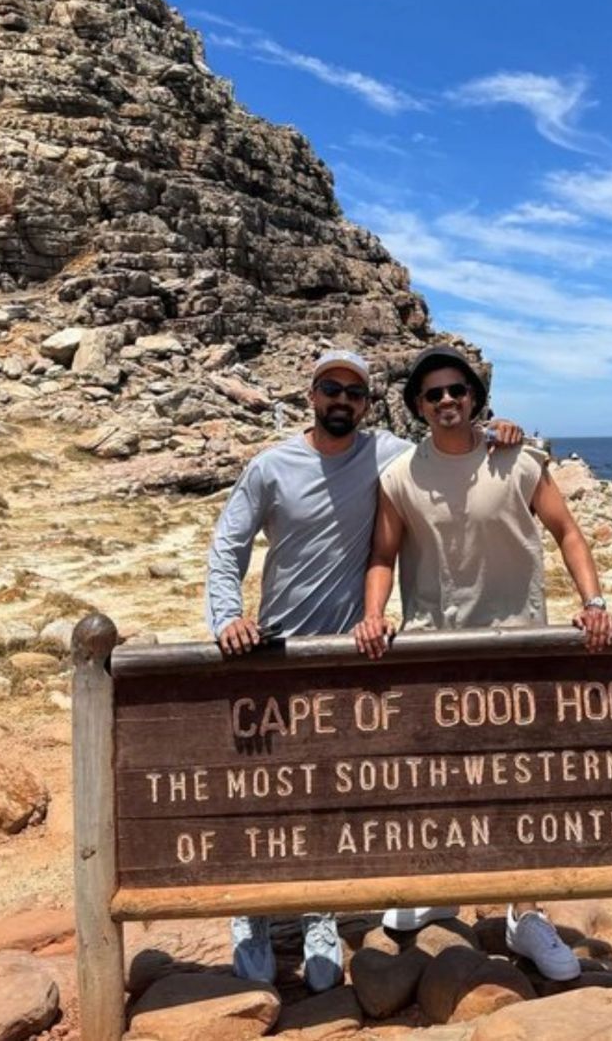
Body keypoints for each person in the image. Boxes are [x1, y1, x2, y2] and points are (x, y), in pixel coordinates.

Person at [206, 348, 524, 990]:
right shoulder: (271, 467)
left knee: (325, 789)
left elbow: (447, 439)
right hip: (273, 651)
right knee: (263, 788)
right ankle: (254, 913)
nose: (342, 401)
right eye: (332, 389)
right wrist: (225, 618)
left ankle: (320, 910)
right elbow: (227, 547)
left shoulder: (383, 455)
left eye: (355, 393)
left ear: (369, 405)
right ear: (312, 394)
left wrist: (496, 432)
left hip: (350, 657)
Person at [351, 345, 612, 983]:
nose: (447, 402)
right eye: (434, 394)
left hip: (519, 644)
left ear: (475, 398)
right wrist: (372, 614)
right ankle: (441, 888)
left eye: (457, 391)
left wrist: (595, 600)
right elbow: (383, 556)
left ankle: (527, 915)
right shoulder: (398, 478)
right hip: (436, 646)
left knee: (525, 782)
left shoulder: (519, 460)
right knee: (441, 776)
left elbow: (568, 534)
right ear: (418, 405)